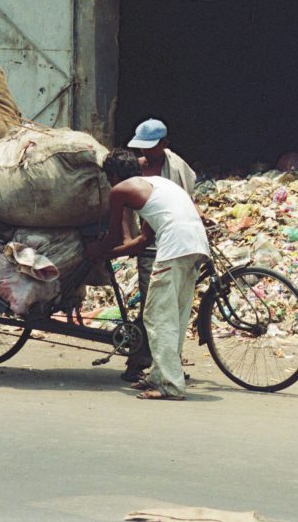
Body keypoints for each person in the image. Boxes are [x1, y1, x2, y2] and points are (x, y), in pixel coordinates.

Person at [85, 148, 208, 400]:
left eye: (109, 178)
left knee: (157, 316)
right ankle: (159, 376)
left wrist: (95, 251)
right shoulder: (158, 184)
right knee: (176, 315)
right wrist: (111, 254)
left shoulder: (120, 190)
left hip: (174, 248)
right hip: (196, 245)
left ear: (114, 175)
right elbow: (143, 241)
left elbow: (114, 237)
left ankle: (170, 386)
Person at [121, 118, 199, 382]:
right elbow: (124, 205)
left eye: (151, 146)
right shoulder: (137, 168)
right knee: (153, 307)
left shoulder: (176, 168)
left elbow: (184, 199)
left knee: (172, 308)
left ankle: (167, 365)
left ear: (164, 143)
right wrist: (128, 240)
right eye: (142, 147)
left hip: (171, 242)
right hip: (150, 246)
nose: (145, 151)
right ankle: (139, 362)